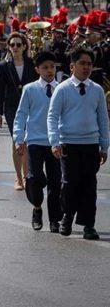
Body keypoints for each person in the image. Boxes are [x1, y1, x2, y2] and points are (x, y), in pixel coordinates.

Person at [47, 48, 109, 240]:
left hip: (91, 144)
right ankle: (67, 216)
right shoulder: (62, 89)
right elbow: (52, 116)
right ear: (73, 66)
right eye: (82, 63)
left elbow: (103, 119)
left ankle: (88, 225)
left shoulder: (97, 90)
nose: (86, 67)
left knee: (89, 185)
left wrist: (104, 146)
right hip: (68, 144)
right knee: (70, 183)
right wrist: (55, 142)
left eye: (89, 64)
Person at [13, 51, 62, 232]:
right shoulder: (30, 89)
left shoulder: (62, 89)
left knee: (56, 182)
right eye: (45, 67)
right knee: (34, 178)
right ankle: (37, 207)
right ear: (37, 69)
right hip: (34, 140)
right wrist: (19, 138)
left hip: (55, 142)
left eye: (52, 67)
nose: (49, 71)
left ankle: (55, 219)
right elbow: (21, 115)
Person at [0, 32, 37, 190]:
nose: (15, 48)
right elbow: (0, 90)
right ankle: (18, 178)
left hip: (30, 105)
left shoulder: (31, 63)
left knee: (26, 141)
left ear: (24, 46)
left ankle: (26, 176)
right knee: (17, 140)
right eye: (12, 45)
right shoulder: (3, 65)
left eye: (18, 45)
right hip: (12, 107)